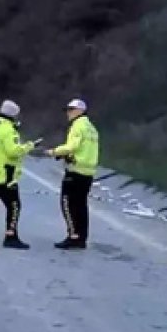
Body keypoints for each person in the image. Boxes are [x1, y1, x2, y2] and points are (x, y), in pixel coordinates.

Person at [0, 100, 37, 249]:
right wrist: (29, 146)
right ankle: (11, 237)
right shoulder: (9, 130)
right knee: (14, 206)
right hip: (6, 174)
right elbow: (13, 152)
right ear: (14, 115)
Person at [47, 98, 99, 250]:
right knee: (81, 206)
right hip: (88, 172)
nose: (68, 113)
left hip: (75, 171)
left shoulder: (78, 126)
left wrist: (54, 152)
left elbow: (71, 147)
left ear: (79, 111)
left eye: (71, 110)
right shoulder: (91, 128)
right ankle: (81, 238)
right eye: (67, 110)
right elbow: (84, 149)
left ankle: (73, 236)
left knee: (68, 204)